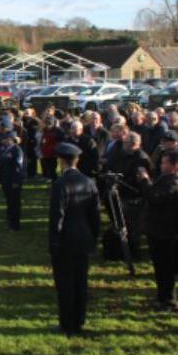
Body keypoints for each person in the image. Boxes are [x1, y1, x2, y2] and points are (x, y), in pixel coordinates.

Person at [48, 142, 101, 336]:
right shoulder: (89, 182)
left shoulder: (60, 184)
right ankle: (79, 319)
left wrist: (53, 243)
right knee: (81, 282)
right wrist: (93, 236)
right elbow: (95, 215)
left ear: (61, 161)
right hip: (84, 238)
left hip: (65, 241)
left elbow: (57, 217)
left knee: (65, 284)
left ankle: (67, 323)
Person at [137, 150, 178, 311]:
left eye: (165, 162)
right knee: (159, 267)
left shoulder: (176, 182)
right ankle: (161, 297)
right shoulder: (165, 178)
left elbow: (155, 197)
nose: (161, 164)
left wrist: (145, 180)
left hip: (166, 232)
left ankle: (169, 301)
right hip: (156, 230)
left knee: (166, 269)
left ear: (175, 166)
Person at [0, 131, 25, 231]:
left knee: (14, 203)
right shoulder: (4, 149)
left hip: (13, 181)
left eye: (6, 138)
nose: (4, 140)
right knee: (9, 202)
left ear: (12, 139)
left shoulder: (17, 150)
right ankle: (9, 221)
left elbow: (18, 167)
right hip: (5, 180)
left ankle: (15, 224)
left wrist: (16, 181)